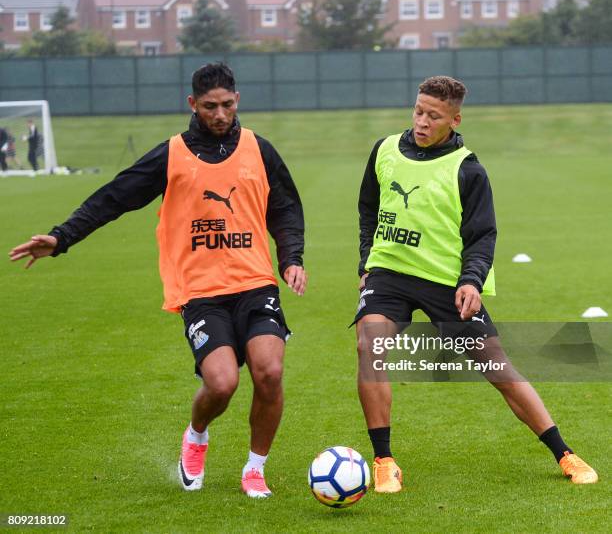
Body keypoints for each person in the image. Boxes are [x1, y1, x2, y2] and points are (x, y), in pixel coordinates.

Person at [9, 63, 307, 498]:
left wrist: (291, 258)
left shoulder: (259, 149)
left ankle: (255, 468)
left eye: (226, 105)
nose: (220, 115)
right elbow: (113, 197)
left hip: (255, 282)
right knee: (222, 383)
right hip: (200, 291)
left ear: (237, 100)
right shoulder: (171, 154)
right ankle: (196, 436)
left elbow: (285, 208)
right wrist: (61, 237)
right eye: (210, 107)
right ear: (192, 104)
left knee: (270, 372)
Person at [354, 76, 597, 493]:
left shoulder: (469, 170)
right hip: (389, 275)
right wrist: (366, 261)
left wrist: (471, 281)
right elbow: (369, 209)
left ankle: (564, 453)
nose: (422, 122)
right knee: (368, 345)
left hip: (446, 282)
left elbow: (483, 236)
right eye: (418, 111)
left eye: (434, 116)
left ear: (455, 119)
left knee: (497, 368)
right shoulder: (384, 151)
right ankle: (384, 460)